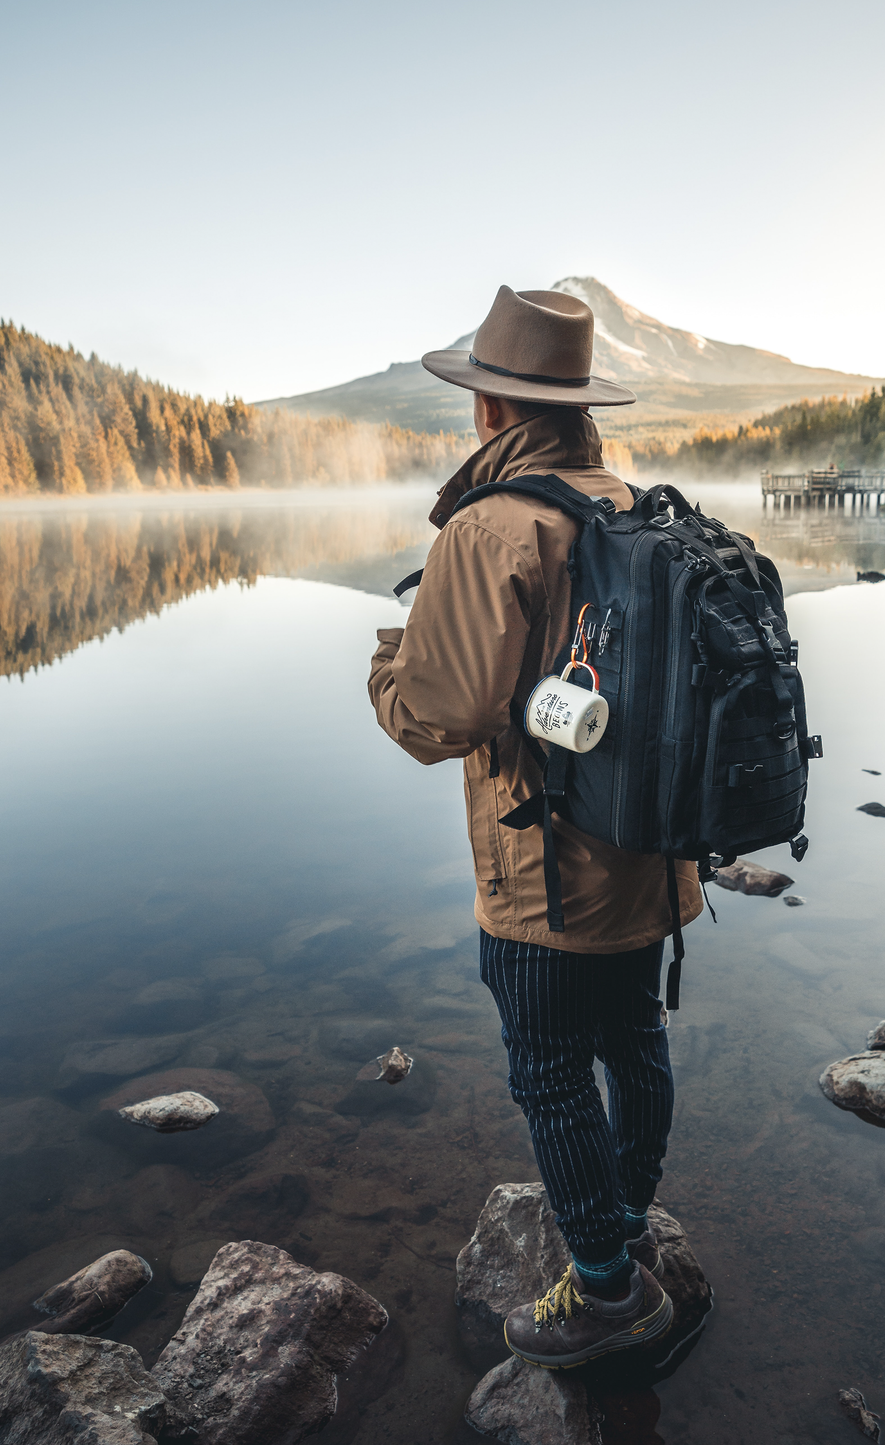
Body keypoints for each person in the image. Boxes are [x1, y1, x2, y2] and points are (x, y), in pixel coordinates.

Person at [367, 285, 701, 1367]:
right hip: (653, 854)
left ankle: (606, 1288)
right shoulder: (637, 501)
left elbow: (439, 718)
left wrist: (385, 668)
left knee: (548, 1070)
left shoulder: (491, 524)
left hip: (545, 872)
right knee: (633, 1040)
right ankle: (628, 1222)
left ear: (492, 411)